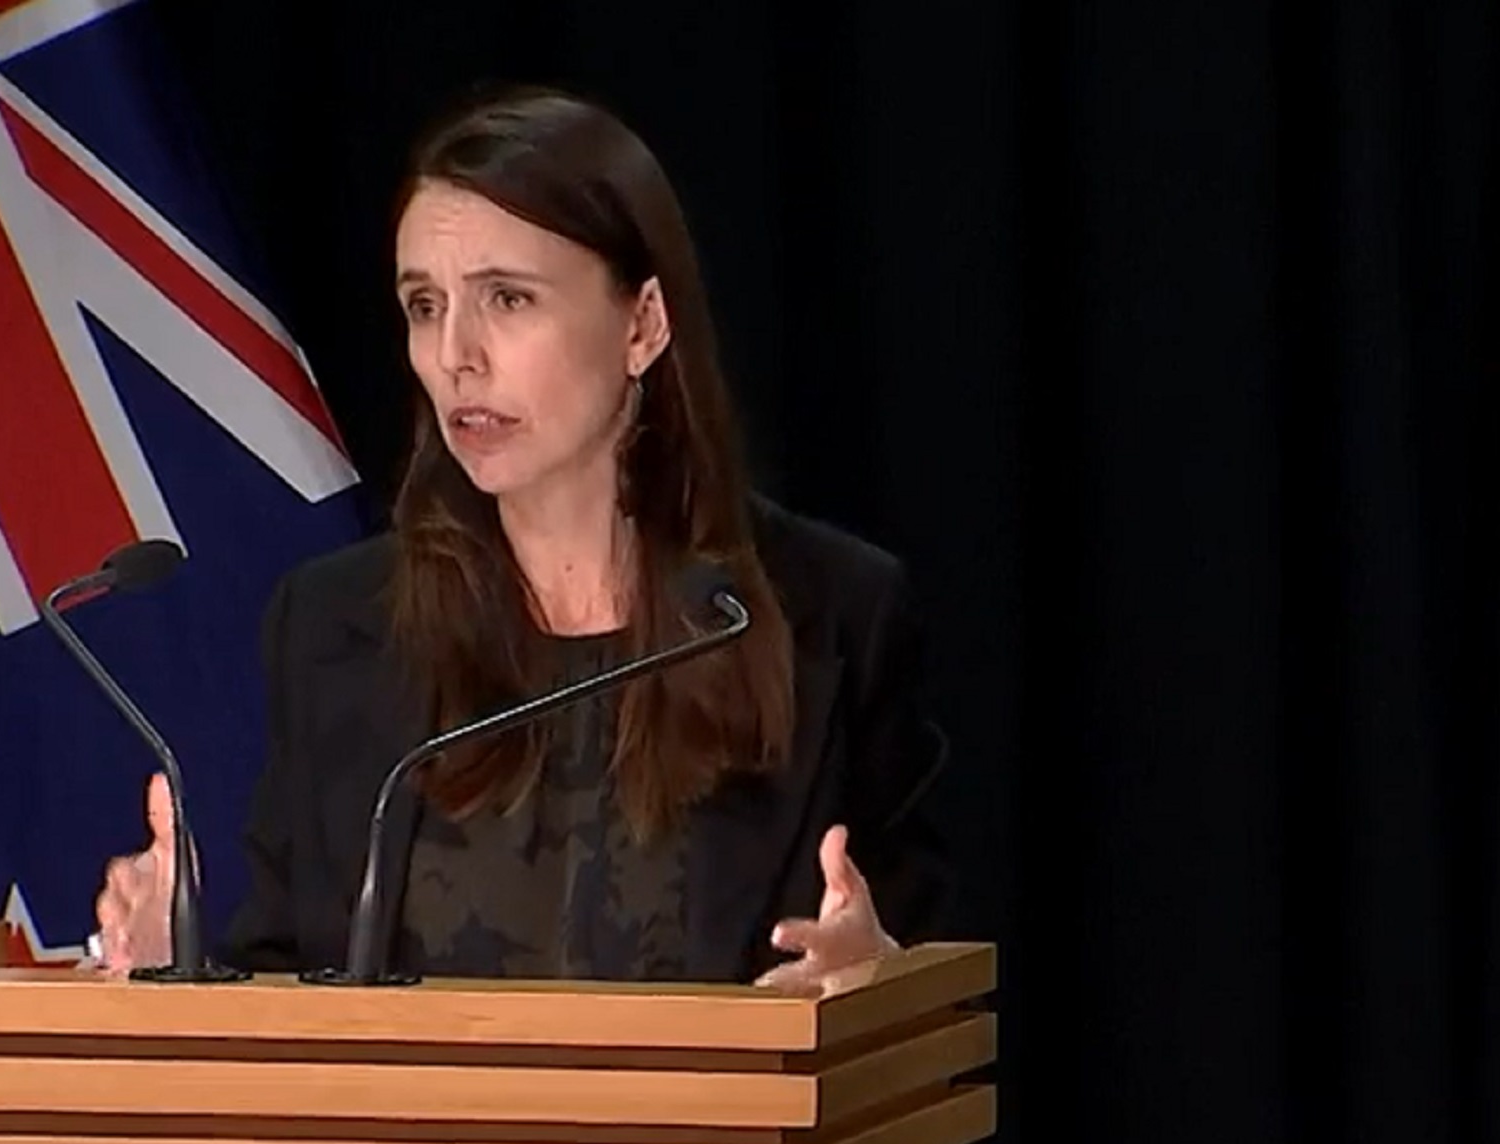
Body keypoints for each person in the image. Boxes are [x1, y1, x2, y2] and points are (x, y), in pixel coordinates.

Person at [92, 83, 951, 994]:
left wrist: (879, 980)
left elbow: (931, 975)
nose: (456, 355)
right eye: (425, 305)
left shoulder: (831, 613)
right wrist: (174, 977)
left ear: (643, 324)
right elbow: (293, 988)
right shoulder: (336, 627)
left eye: (507, 298)